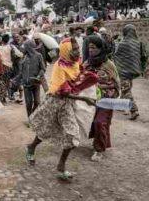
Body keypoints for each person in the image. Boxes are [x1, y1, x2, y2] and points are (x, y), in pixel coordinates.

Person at [26, 37, 99, 181]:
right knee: (45, 130)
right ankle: (31, 147)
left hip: (66, 105)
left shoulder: (75, 63)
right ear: (66, 51)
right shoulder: (59, 66)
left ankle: (61, 166)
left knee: (72, 135)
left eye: (78, 48)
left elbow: (77, 79)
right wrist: (84, 99)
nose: (78, 52)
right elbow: (63, 91)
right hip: (55, 102)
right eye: (74, 49)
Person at [84, 35, 120, 162]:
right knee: (93, 122)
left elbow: (116, 84)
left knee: (100, 122)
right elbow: (81, 79)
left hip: (107, 99)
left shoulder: (109, 64)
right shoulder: (87, 63)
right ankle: (100, 142)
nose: (90, 51)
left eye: (93, 48)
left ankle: (98, 150)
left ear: (100, 48)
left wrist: (100, 86)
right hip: (91, 99)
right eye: (89, 48)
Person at [113, 24, 149, 120]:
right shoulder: (138, 43)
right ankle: (121, 105)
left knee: (126, 89)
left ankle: (134, 110)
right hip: (134, 69)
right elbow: (145, 56)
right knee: (127, 86)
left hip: (123, 70)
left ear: (125, 32)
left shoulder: (122, 44)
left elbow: (116, 55)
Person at [16, 40, 46, 118]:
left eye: (25, 47)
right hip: (26, 85)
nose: (23, 49)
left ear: (29, 48)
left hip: (36, 83)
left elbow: (43, 68)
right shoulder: (24, 58)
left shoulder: (38, 56)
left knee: (37, 102)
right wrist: (16, 79)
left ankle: (32, 115)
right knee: (28, 103)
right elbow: (21, 72)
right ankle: (29, 118)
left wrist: (38, 76)